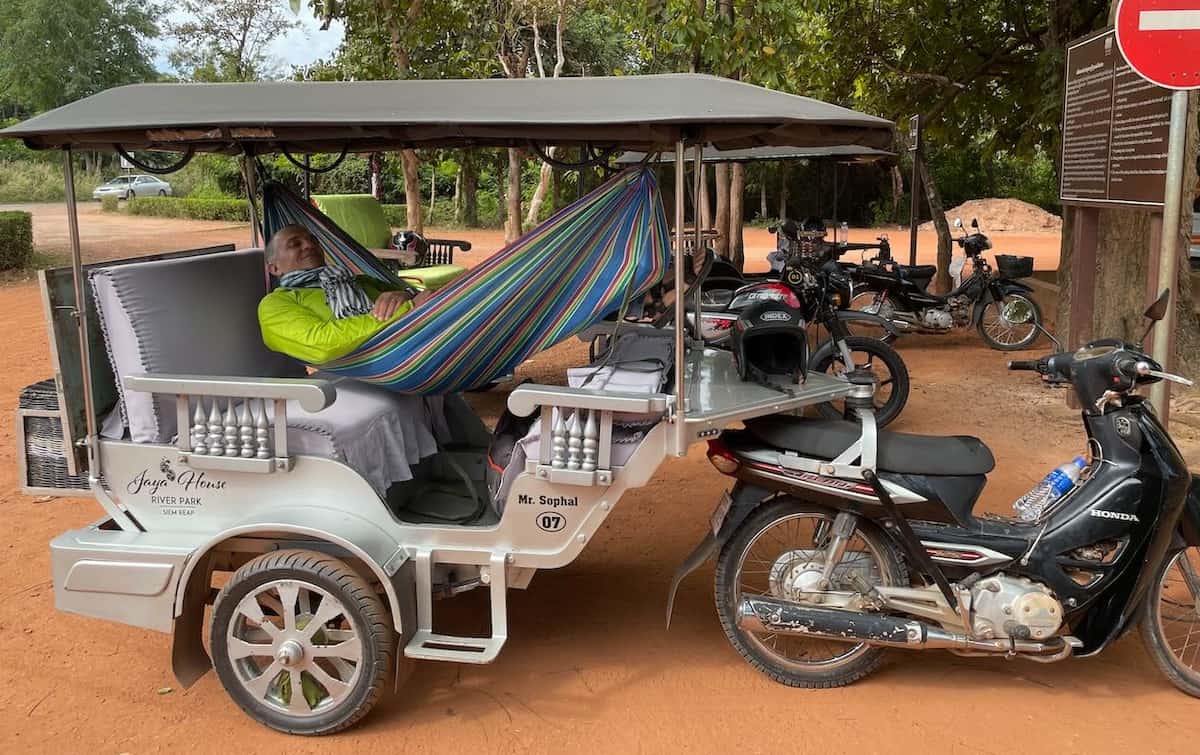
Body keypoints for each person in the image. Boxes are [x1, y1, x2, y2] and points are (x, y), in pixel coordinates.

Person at [258, 224, 432, 364]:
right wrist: (407, 310)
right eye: (295, 244)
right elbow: (321, 344)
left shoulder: (359, 281)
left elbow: (420, 295)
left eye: (313, 240)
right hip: (378, 364)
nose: (309, 245)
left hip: (422, 344)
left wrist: (406, 295)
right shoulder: (275, 304)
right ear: (274, 268)